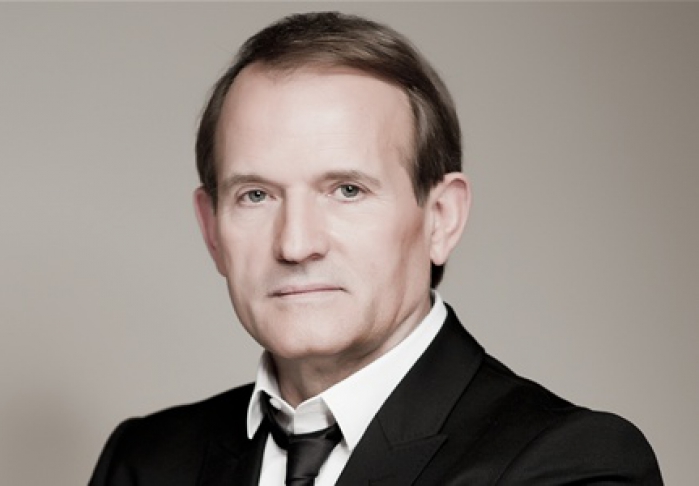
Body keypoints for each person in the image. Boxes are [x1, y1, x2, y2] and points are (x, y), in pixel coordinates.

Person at [89, 11, 662, 485]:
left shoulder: (573, 464)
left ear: (441, 218)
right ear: (211, 229)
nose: (296, 244)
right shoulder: (145, 461)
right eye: (256, 195)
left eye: (347, 190)